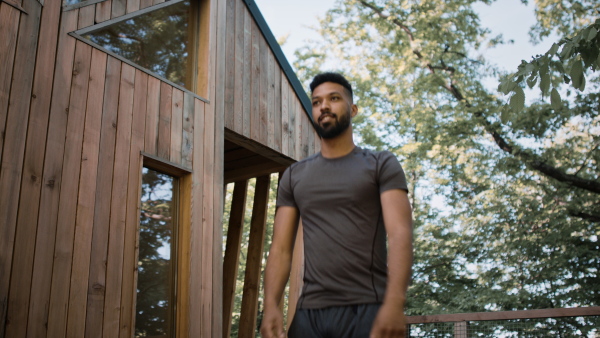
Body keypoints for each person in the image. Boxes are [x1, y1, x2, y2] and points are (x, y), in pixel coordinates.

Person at [260, 72, 413, 338]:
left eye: (334, 98)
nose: (324, 107)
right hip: (309, 313)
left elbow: (400, 234)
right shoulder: (295, 175)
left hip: (367, 309)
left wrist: (395, 303)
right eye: (317, 102)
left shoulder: (380, 164)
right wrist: (271, 305)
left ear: (353, 109)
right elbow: (281, 248)